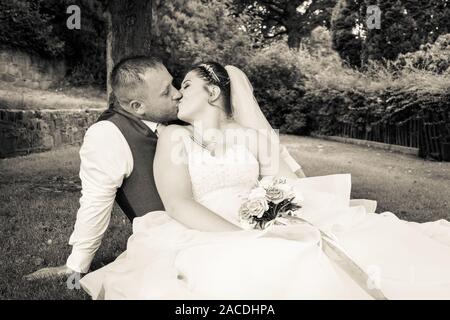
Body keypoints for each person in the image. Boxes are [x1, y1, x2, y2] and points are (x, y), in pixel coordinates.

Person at [79, 62, 450, 299]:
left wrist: (278, 210)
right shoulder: (174, 137)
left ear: (212, 92)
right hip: (205, 224)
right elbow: (178, 204)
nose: (177, 94)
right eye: (174, 88)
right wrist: (244, 235)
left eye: (186, 86)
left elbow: (287, 184)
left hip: (259, 213)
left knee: (343, 246)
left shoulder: (252, 136)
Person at [24, 57, 304, 280]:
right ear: (138, 106)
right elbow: (95, 201)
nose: (177, 95)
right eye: (167, 91)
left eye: (178, 84)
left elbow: (278, 173)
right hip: (182, 231)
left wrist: (277, 203)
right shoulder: (108, 135)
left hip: (241, 219)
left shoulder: (193, 126)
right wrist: (77, 264)